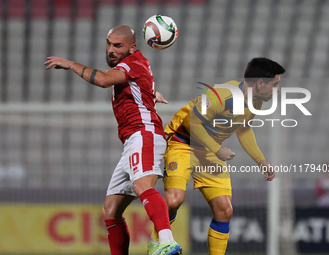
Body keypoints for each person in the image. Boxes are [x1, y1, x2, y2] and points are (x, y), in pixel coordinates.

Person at [45, 25, 182, 255]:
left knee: (141, 186)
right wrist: (151, 94)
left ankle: (166, 241)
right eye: (108, 44)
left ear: (132, 47)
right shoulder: (136, 65)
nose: (111, 50)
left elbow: (103, 80)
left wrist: (71, 64)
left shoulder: (130, 64)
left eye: (117, 46)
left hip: (144, 134)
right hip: (132, 140)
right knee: (111, 211)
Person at [149, 58, 285, 255]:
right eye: (276, 84)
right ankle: (156, 243)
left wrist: (260, 160)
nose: (278, 90)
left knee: (225, 209)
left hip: (208, 151)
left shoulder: (256, 101)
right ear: (260, 83)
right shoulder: (222, 95)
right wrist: (217, 149)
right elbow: (193, 123)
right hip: (182, 142)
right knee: (173, 201)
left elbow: (244, 130)